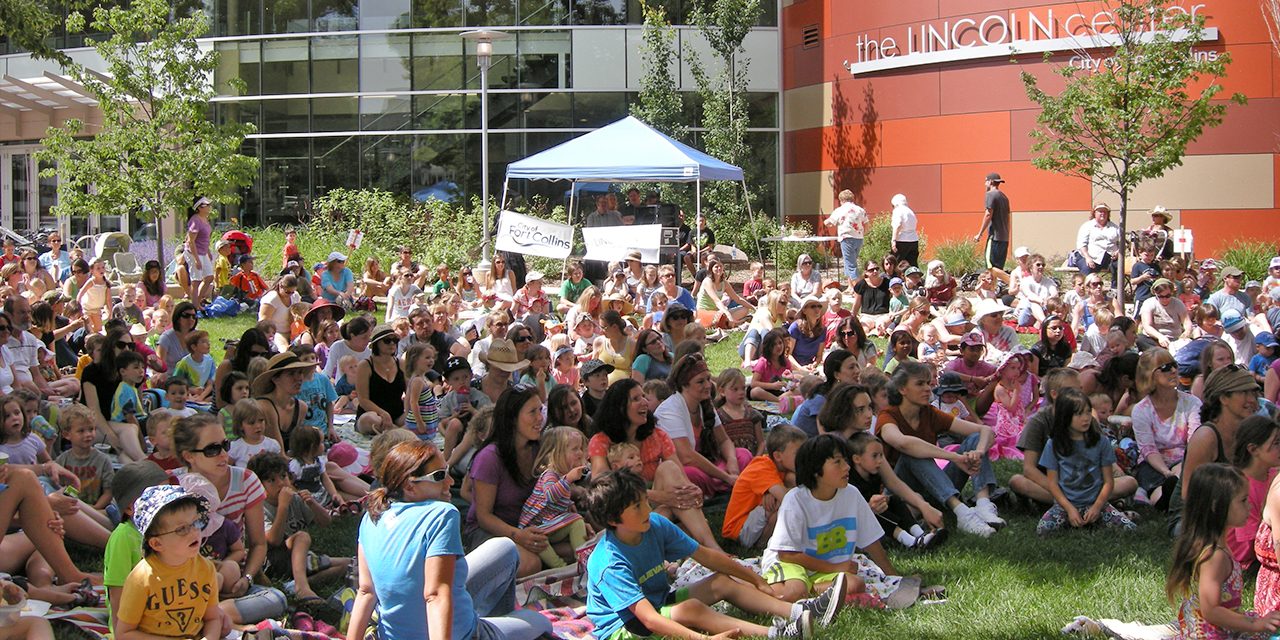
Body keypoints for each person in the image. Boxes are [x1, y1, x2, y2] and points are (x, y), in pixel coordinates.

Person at [584, 468, 829, 640]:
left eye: (645, 501)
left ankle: (802, 612)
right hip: (625, 628)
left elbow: (706, 556)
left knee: (721, 582)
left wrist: (756, 579)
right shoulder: (609, 562)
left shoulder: (655, 524)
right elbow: (647, 620)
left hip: (658, 603)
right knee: (691, 608)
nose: (648, 509)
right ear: (612, 519)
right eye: (637, 506)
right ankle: (779, 634)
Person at [349, 440, 553, 640]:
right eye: (439, 476)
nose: (450, 482)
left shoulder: (371, 517)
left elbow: (366, 592)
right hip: (454, 631)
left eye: (447, 472)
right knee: (543, 624)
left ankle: (493, 621)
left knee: (506, 547)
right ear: (410, 487)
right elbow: (435, 595)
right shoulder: (441, 514)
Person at [877, 362, 1005, 537]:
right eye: (920, 384)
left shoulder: (929, 412)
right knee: (913, 453)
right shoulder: (887, 416)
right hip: (900, 495)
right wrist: (954, 457)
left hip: (932, 489)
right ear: (902, 389)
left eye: (929, 383)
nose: (928, 389)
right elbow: (903, 444)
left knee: (975, 439)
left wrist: (979, 452)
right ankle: (962, 512)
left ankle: (983, 505)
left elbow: (985, 430)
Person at [1166, 464, 1280, 639]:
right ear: (1217, 506)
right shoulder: (1214, 556)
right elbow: (1211, 611)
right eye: (1243, 500)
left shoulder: (1213, 544)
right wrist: (1256, 625)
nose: (1250, 506)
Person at [115, 485, 222, 640]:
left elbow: (212, 618)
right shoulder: (141, 579)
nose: (194, 532)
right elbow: (123, 634)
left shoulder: (206, 568)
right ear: (157, 544)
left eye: (195, 522)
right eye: (182, 529)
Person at [1035, 389, 1138, 534]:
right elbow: (1053, 483)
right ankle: (1078, 520)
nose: (1086, 418)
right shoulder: (1054, 444)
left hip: (1096, 503)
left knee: (1130, 530)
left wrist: (1097, 507)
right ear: (1065, 417)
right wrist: (1070, 509)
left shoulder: (1101, 442)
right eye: (1079, 414)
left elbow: (1108, 481)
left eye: (1088, 412)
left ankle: (1112, 515)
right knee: (1043, 530)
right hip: (1065, 506)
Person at [656, 354, 755, 499]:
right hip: (691, 467)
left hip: (710, 463)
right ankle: (727, 485)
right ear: (684, 385)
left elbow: (724, 441)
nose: (708, 386)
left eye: (708, 379)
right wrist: (726, 477)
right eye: (700, 382)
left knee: (744, 455)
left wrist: (732, 462)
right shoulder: (669, 410)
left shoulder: (705, 405)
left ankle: (718, 487)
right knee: (690, 474)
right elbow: (687, 457)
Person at [353, 324, 406, 435]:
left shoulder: (401, 364)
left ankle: (396, 432)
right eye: (387, 340)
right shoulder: (365, 365)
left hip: (397, 415)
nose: (392, 343)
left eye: (394, 340)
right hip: (373, 415)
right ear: (377, 344)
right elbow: (363, 400)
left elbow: (410, 390)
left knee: (420, 414)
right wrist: (383, 414)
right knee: (370, 421)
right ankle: (402, 433)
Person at [826, 190, 869, 285]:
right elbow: (867, 226)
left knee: (851, 264)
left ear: (842, 200)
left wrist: (826, 222)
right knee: (848, 262)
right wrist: (861, 234)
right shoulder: (861, 210)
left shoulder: (840, 210)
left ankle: (858, 289)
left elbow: (829, 222)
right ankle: (850, 286)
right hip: (859, 239)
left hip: (847, 238)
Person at [1072, 203, 1122, 279]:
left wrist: (1118, 252)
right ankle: (1084, 289)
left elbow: (1123, 243)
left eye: (1105, 212)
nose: (1102, 214)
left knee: (1120, 266)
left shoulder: (1115, 228)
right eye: (1100, 211)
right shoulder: (1087, 226)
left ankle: (1115, 289)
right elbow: (1081, 244)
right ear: (1094, 213)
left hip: (1109, 258)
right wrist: (1087, 258)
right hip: (1090, 257)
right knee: (1087, 269)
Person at [1140, 278, 1193, 350]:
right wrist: (1160, 337)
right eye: (1161, 296)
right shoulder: (1149, 303)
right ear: (1155, 293)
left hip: (1174, 338)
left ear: (1172, 293)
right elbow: (1147, 326)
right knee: (1140, 339)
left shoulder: (1178, 303)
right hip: (1154, 338)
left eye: (1167, 296)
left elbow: (1186, 321)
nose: (1164, 299)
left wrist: (1187, 332)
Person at [973, 172, 1011, 272]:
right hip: (1004, 238)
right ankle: (996, 286)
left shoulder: (990, 195)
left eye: (986, 182)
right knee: (998, 268)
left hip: (994, 237)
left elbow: (988, 214)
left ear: (990, 182)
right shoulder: (1004, 197)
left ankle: (1011, 282)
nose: (985, 184)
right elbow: (1008, 218)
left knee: (990, 267)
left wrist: (980, 233)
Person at [185, 196, 217, 304]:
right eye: (206, 205)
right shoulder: (195, 221)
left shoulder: (205, 220)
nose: (209, 207)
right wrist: (196, 259)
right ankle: (193, 306)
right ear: (199, 208)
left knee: (209, 277)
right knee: (196, 280)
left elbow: (204, 238)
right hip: (194, 253)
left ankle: (197, 302)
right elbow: (190, 241)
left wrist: (208, 252)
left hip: (203, 252)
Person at [889, 193, 919, 267]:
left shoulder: (898, 210)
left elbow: (898, 225)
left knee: (896, 264)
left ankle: (896, 278)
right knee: (912, 264)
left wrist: (894, 240)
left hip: (901, 240)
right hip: (913, 240)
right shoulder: (910, 211)